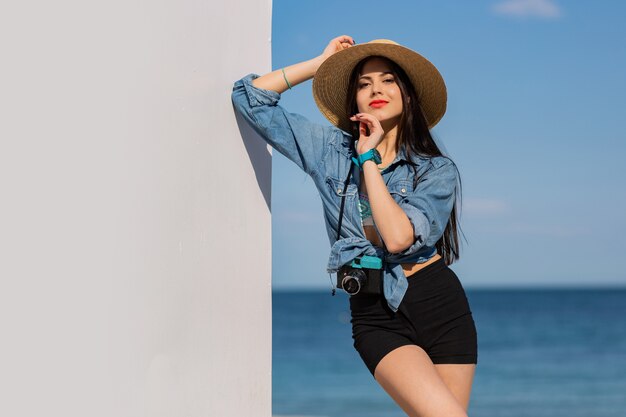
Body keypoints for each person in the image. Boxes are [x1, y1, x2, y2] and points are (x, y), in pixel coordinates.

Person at [231, 35, 478, 417]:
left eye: (388, 80)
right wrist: (320, 64)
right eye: (364, 84)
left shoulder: (435, 170)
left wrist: (369, 162)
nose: (376, 89)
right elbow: (249, 98)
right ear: (355, 101)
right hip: (376, 313)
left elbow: (398, 237)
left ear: (408, 95)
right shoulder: (329, 150)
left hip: (440, 305)